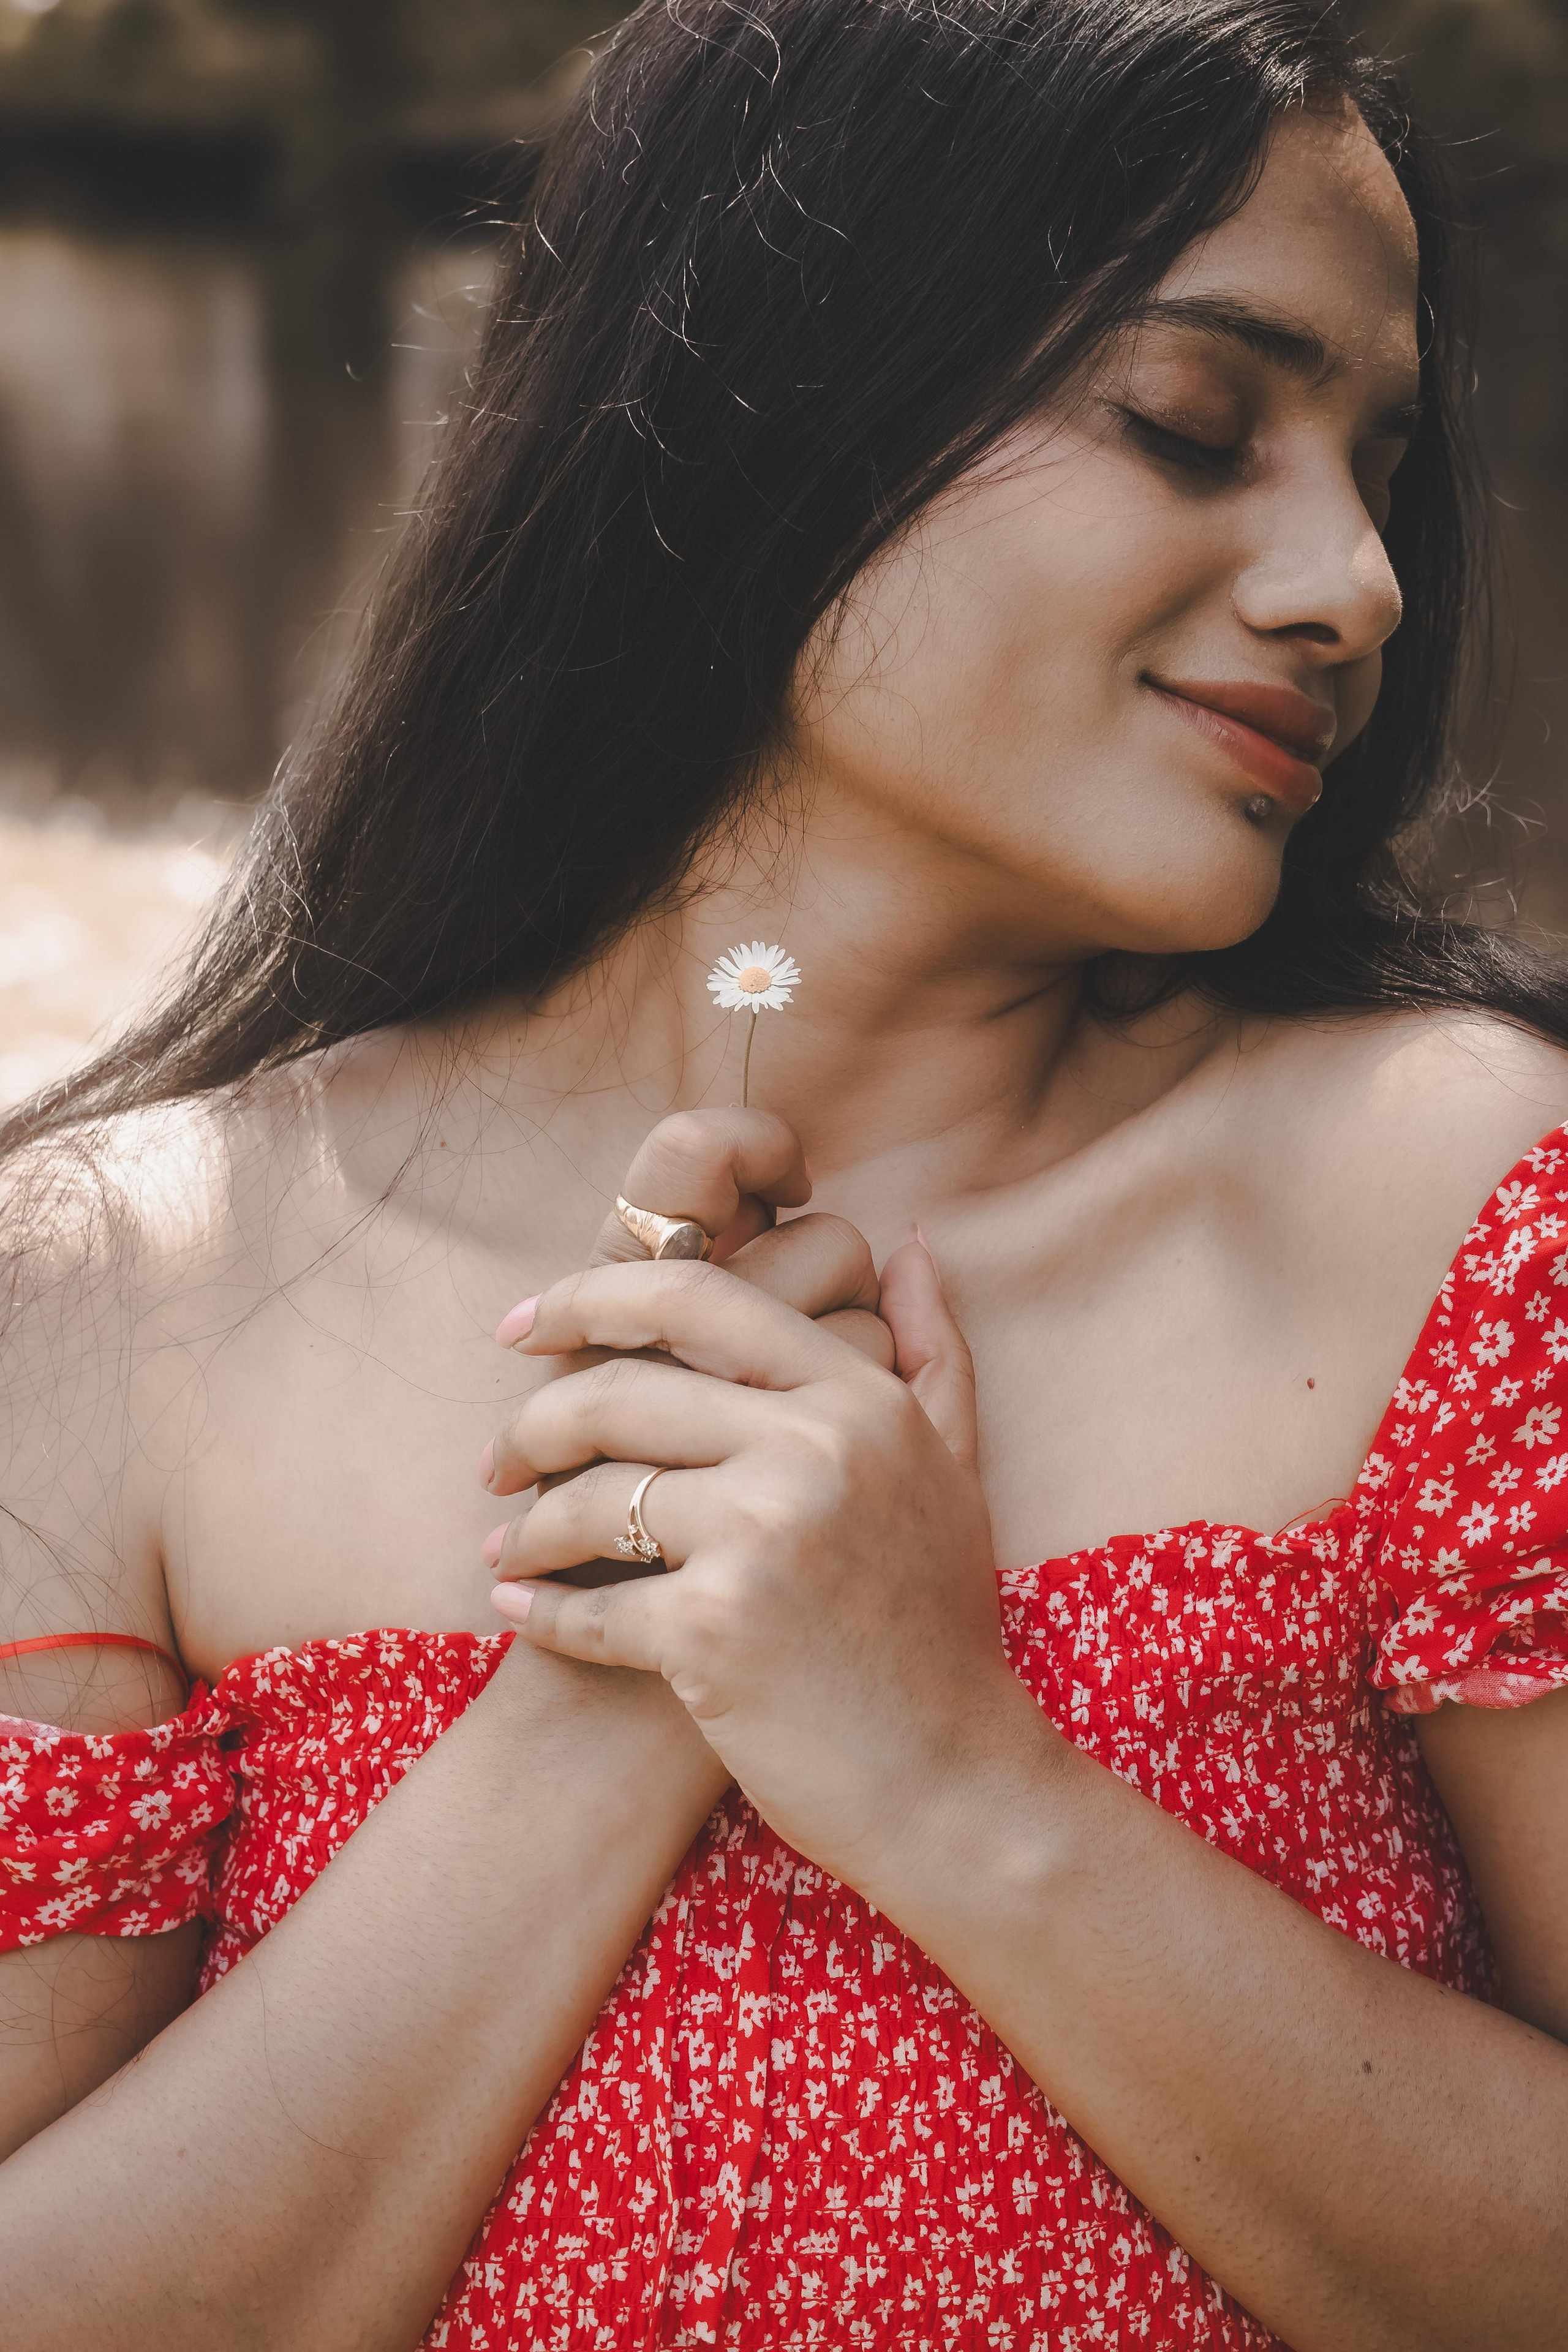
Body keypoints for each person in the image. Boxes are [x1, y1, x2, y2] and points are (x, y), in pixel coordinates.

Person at [2, 2, 1566, 2344]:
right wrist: (607, 1697)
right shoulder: (122, 1287)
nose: (1354, 583)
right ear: (775, 395)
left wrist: (945, 1768)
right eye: (1191, 421)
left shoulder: (1467, 1206)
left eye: (1376, 469)